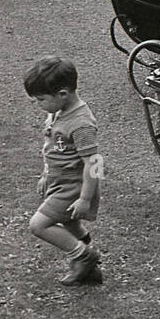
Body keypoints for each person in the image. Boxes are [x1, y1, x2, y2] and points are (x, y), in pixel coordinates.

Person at [24, 56, 104, 287]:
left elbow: (94, 162)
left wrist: (85, 199)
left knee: (38, 225)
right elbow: (51, 146)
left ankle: (84, 256)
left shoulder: (81, 123)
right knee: (69, 224)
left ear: (62, 94)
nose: (38, 104)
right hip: (59, 181)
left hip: (74, 186)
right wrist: (46, 174)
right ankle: (90, 270)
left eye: (41, 99)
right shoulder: (59, 111)